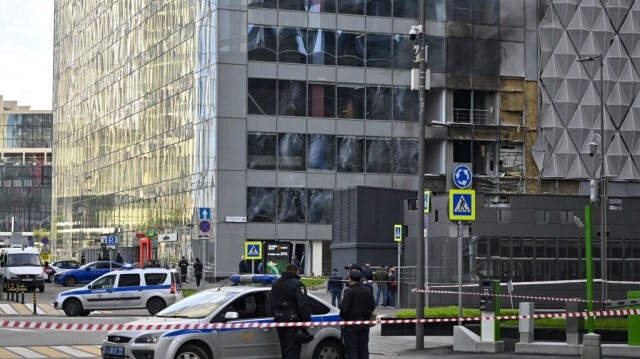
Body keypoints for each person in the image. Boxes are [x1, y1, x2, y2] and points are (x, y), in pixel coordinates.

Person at [271, 263, 311, 359]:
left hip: (278, 319)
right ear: (296, 271)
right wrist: (306, 320)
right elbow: (303, 304)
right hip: (293, 320)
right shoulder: (297, 284)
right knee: (293, 349)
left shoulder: (275, 283)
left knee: (284, 347)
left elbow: (273, 301)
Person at [339, 270, 375, 359]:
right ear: (360, 280)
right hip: (365, 323)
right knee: (363, 349)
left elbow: (343, 308)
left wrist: (340, 303)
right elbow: (372, 306)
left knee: (351, 349)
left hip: (352, 324)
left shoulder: (349, 291)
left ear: (350, 280)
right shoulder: (367, 290)